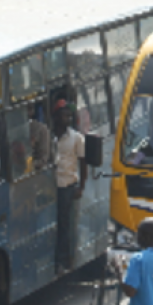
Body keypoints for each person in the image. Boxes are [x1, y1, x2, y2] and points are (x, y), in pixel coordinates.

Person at [54, 100, 87, 273]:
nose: (67, 118)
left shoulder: (76, 138)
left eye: (69, 115)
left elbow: (83, 164)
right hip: (50, 187)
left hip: (67, 186)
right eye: (64, 115)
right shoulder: (49, 135)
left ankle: (63, 261)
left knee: (64, 224)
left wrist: (81, 187)